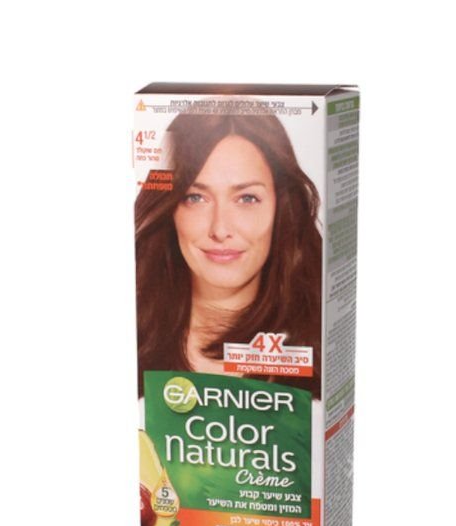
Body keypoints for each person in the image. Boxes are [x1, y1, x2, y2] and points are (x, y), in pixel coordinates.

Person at [135, 106, 322, 399]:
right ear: (170, 209)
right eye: (195, 197)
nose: (220, 229)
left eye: (247, 198)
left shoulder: (318, 354)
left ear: (281, 208)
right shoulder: (134, 347)